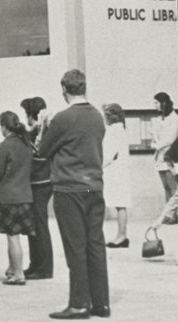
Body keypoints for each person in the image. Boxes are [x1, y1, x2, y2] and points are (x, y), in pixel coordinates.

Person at [38, 70, 110, 319]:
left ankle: (79, 303)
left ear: (64, 90)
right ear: (84, 88)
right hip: (94, 186)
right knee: (95, 244)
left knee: (75, 248)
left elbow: (42, 151)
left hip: (70, 189)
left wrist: (44, 125)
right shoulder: (97, 117)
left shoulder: (62, 119)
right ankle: (101, 303)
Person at [0, 111, 36, 286]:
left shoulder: (3, 147)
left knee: (12, 237)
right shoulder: (27, 145)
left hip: (8, 197)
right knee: (15, 236)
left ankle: (18, 273)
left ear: (4, 127)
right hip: (25, 195)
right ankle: (12, 268)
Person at [21, 96, 54, 280]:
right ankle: (35, 264)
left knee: (40, 226)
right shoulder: (37, 132)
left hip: (40, 182)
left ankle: (44, 267)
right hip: (41, 182)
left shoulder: (41, 133)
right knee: (35, 225)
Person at [102, 104, 131, 248]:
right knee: (121, 205)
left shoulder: (114, 131)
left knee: (119, 204)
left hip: (115, 173)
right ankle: (122, 234)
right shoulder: (120, 129)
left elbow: (108, 155)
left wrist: (98, 167)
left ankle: (121, 236)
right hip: (119, 172)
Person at [152, 92, 178, 201]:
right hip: (160, 158)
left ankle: (174, 215)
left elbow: (171, 138)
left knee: (173, 188)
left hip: (170, 157)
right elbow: (155, 136)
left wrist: (157, 145)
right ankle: (169, 215)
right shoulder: (158, 119)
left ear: (164, 103)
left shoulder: (175, 118)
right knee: (166, 187)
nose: (155, 105)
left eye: (156, 103)